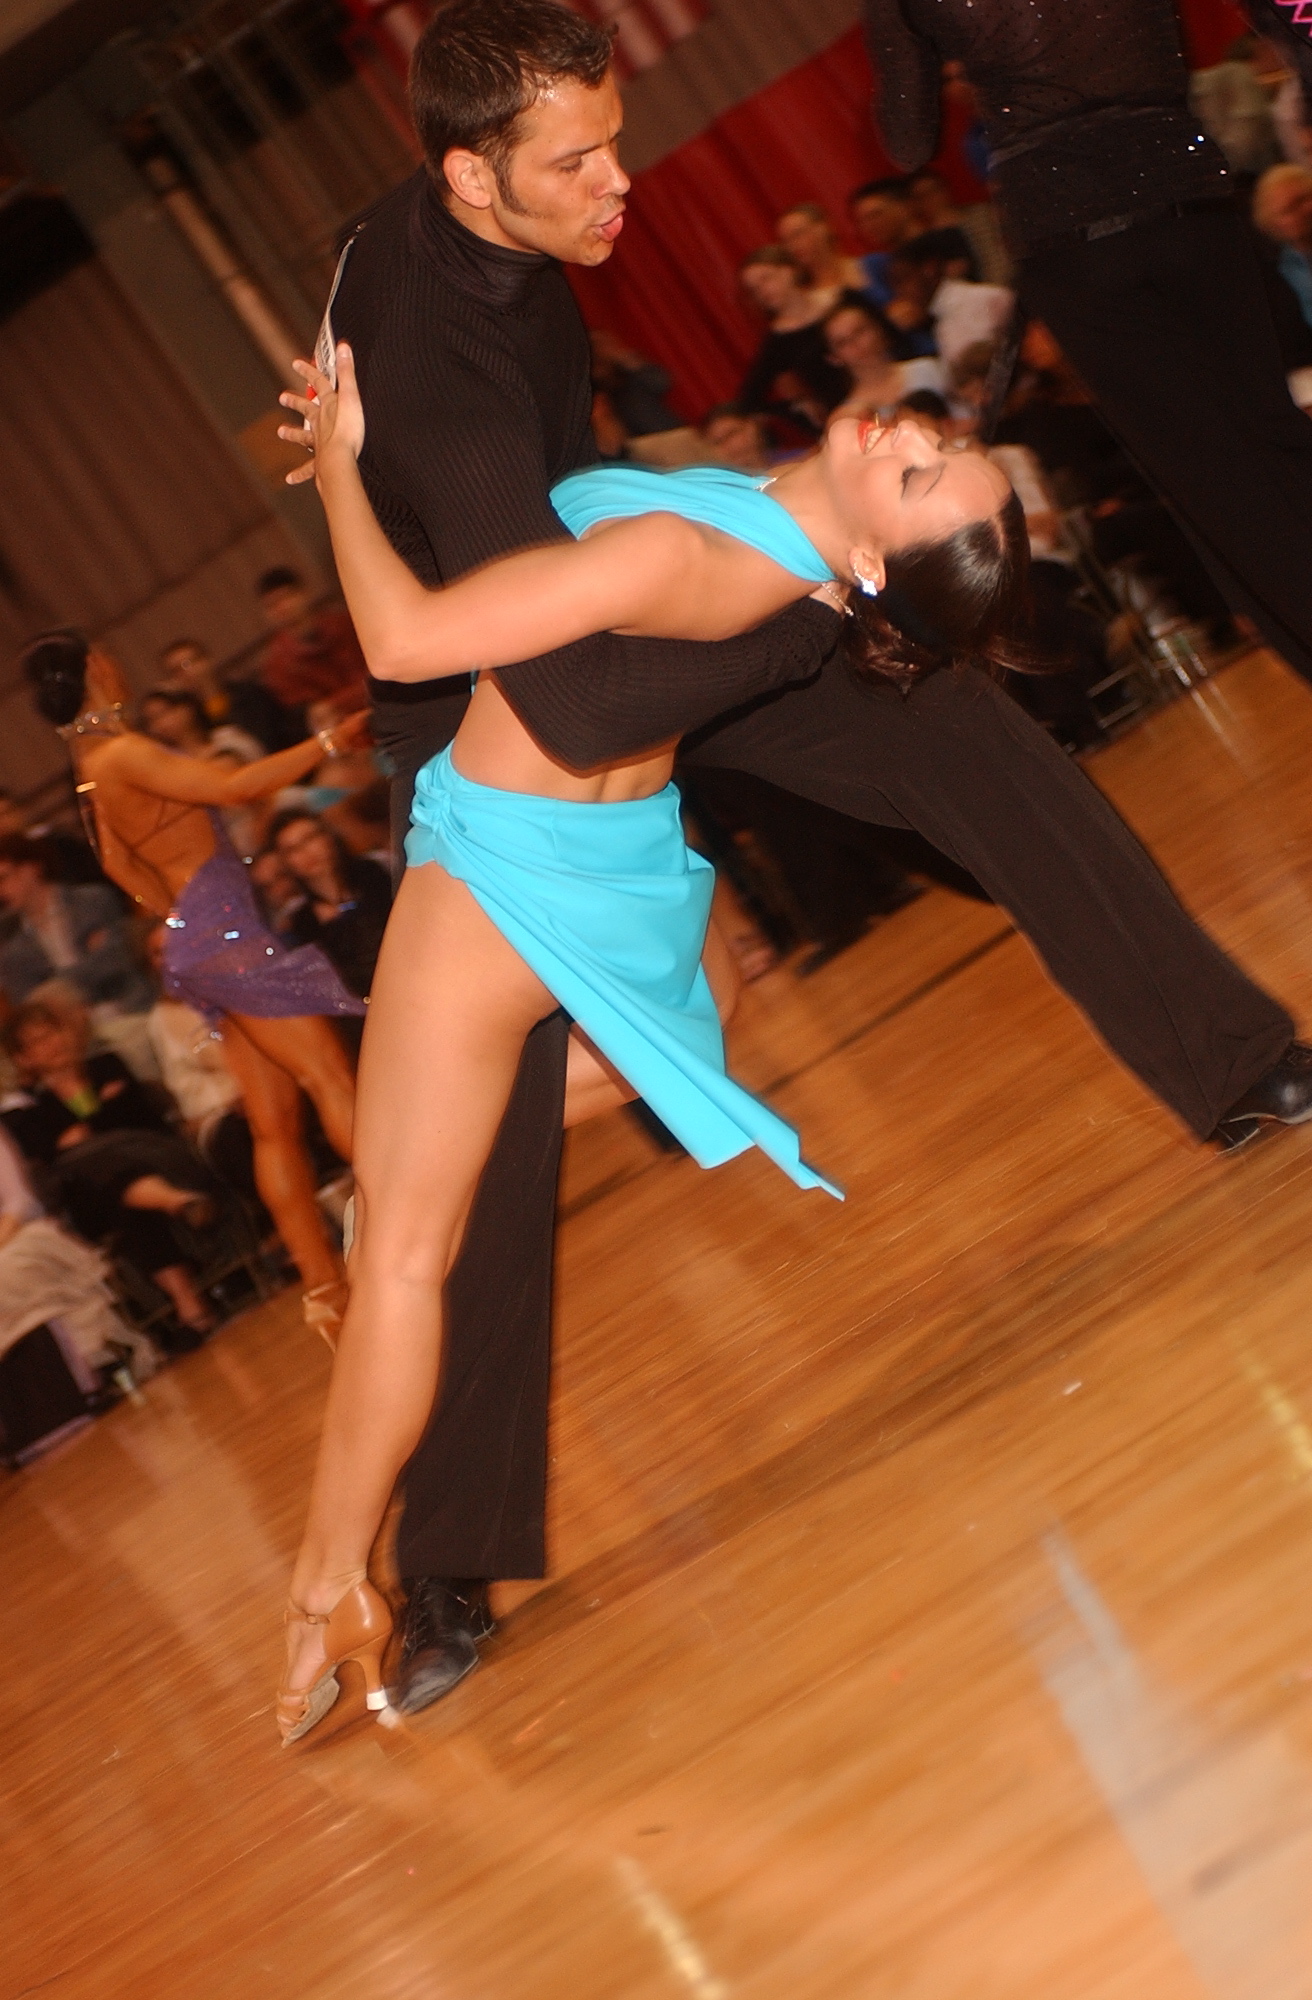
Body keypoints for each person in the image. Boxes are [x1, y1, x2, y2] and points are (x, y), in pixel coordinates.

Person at [296, 0, 1312, 1729]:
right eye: (576, 162)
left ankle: (1235, 1063)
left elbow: (427, 369)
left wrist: (791, 580)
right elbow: (570, 687)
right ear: (472, 175)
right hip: (511, 707)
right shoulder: (451, 380)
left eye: (612, 141)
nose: (617, 180)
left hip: (622, 589)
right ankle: (447, 1561)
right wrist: (805, 597)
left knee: (964, 741)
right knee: (496, 1112)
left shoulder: (451, 228)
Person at [862, 0, 1312, 685]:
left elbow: (908, 140)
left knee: (1207, 478)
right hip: (1186, 193)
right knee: (1273, 428)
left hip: (1067, 235)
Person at [21, 631, 368, 1342]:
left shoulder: (89, 766)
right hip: (226, 939)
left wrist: (180, 916)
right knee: (329, 1076)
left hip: (205, 941)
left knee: (274, 1123)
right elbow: (236, 787)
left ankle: (324, 1291)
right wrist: (331, 743)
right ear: (95, 668)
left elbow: (116, 865)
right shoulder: (122, 755)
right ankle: (426, 1218)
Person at [2, 998, 217, 1340]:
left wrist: (85, 1132)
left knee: (118, 1190)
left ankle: (190, 1308)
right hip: (88, 1197)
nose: (52, 1044)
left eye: (53, 1033)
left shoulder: (107, 1065)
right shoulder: (27, 1109)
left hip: (155, 1158)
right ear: (24, 1058)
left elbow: (141, 1120)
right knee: (111, 1188)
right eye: (38, 1042)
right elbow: (50, 1154)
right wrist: (104, 1112)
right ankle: (176, 1203)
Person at [0, 833, 152, 1020]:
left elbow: (116, 960)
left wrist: (54, 988)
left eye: (3, 878)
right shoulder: (12, 946)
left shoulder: (92, 901)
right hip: (71, 1030)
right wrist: (89, 964)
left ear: (31, 868)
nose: (1, 891)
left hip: (128, 1008)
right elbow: (31, 1006)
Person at [269, 808, 392, 1002]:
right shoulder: (301, 921)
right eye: (293, 849)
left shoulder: (377, 872)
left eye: (310, 838)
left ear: (328, 836)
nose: (306, 852)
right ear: (285, 862)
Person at [140, 685, 267, 862]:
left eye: (166, 712)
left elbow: (263, 780)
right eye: (153, 720)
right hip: (222, 846)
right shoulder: (168, 772)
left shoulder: (228, 739)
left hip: (261, 818)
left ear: (187, 707)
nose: (162, 724)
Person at [736, 247, 850, 432]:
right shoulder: (776, 342)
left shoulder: (842, 299)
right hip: (847, 416)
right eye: (754, 289)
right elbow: (748, 401)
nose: (762, 291)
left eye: (765, 279)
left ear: (789, 271)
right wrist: (799, 405)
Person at [255, 568, 369, 721]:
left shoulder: (346, 624)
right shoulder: (278, 666)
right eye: (272, 605)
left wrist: (334, 704)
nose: (282, 608)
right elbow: (312, 712)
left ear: (303, 593)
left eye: (286, 597)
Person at [157, 635, 295, 753]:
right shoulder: (191, 718)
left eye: (188, 663)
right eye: (176, 670)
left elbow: (271, 735)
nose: (187, 672)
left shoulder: (248, 692)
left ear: (207, 660)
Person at [824, 295, 946, 421]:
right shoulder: (847, 415)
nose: (855, 344)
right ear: (833, 357)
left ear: (878, 328)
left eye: (859, 331)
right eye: (842, 342)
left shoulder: (927, 369)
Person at [1252, 162, 1312, 329]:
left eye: (1307, 197)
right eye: (1291, 208)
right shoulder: (1280, 274)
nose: (1308, 208)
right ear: (1273, 225)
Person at [776, 203, 867, 298]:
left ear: (822, 229)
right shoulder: (804, 297)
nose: (792, 246)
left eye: (797, 234)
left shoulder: (867, 266)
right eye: (786, 241)